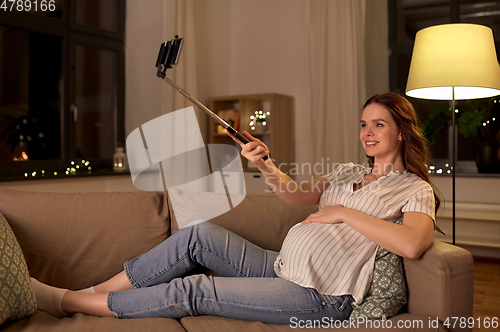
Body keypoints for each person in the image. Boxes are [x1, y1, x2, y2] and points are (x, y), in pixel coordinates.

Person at [31, 92, 440, 324]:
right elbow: (295, 193)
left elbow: (414, 243)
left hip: (320, 295)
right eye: (364, 124)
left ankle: (70, 302)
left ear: (402, 131)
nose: (368, 133)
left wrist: (345, 214)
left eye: (379, 124)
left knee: (193, 289)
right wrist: (264, 163)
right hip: (282, 265)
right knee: (196, 234)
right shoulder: (347, 172)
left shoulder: (412, 187)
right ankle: (94, 291)